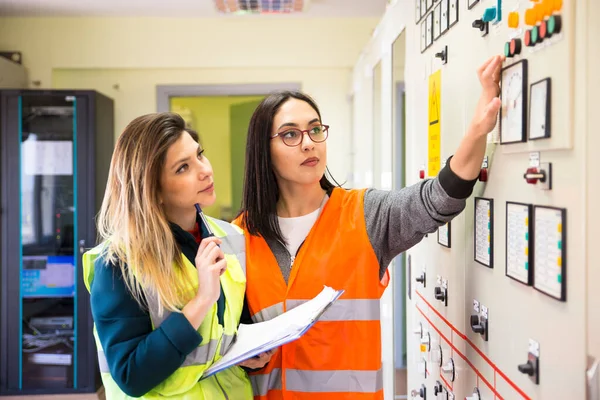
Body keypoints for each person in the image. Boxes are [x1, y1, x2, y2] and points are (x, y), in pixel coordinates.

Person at [233, 54, 505, 399]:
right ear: (263, 150)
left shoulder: (365, 214)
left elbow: (439, 198)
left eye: (315, 129)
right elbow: (226, 337)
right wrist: (244, 358)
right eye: (290, 134)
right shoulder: (238, 235)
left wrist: (479, 127)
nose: (308, 142)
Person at [82, 112, 272, 399]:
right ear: (153, 189)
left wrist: (250, 355)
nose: (205, 170)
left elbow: (228, 331)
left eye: (200, 155)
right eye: (183, 168)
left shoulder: (231, 237)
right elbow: (131, 376)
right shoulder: (120, 262)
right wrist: (202, 299)